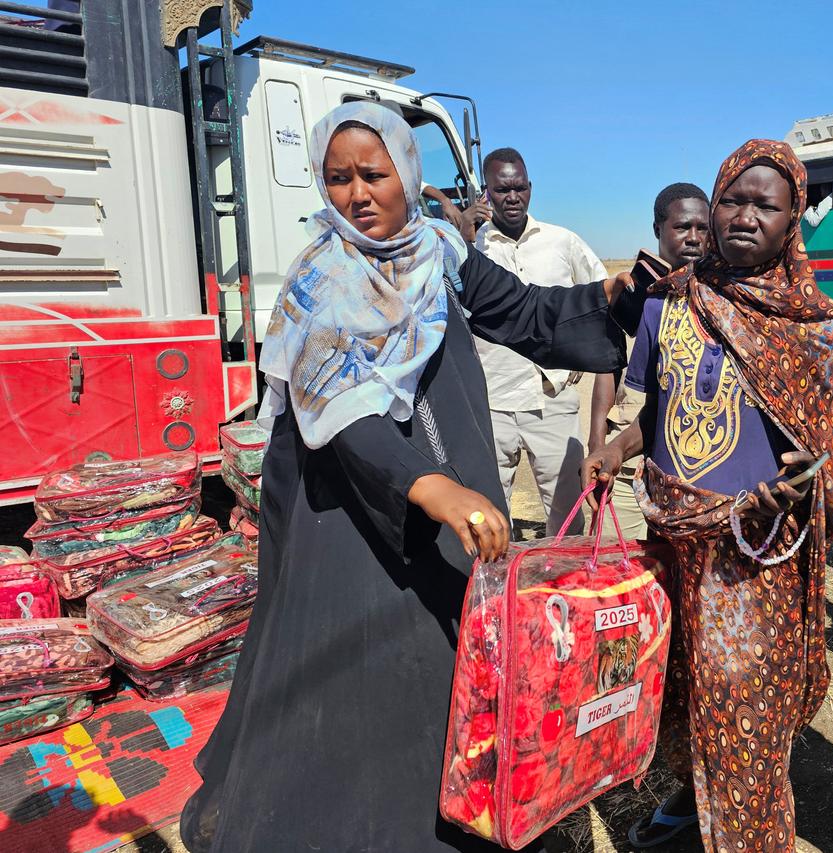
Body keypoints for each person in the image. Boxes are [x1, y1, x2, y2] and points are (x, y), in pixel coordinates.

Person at [180, 102, 630, 853]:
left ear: (408, 174)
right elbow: (343, 416)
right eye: (338, 178)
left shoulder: (438, 251)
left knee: (448, 663)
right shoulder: (324, 275)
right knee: (356, 676)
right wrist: (429, 486)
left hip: (443, 503)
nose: (358, 195)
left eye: (374, 174)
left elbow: (524, 313)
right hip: (347, 519)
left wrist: (614, 301)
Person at [583, 139, 833, 852]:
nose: (745, 215)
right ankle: (689, 804)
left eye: (767, 204)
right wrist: (614, 448)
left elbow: (822, 459)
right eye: (733, 198)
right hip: (671, 544)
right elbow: (660, 409)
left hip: (751, 562)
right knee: (677, 698)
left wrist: (793, 491)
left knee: (746, 722)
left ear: (794, 215)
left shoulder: (815, 327)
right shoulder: (672, 302)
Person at [464, 147, 609, 534]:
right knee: (490, 517)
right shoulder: (470, 246)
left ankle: (561, 591)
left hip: (552, 401)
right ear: (486, 192)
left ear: (530, 188)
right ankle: (502, 591)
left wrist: (581, 356)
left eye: (520, 188)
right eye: (501, 190)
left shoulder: (562, 242)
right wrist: (463, 234)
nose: (512, 197)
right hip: (491, 402)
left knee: (567, 516)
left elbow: (599, 298)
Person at [588, 182, 710, 541]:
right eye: (682, 227)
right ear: (657, 229)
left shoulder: (719, 297)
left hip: (686, 455)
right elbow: (606, 368)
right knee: (616, 559)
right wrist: (598, 444)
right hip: (625, 454)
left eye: (702, 229)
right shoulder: (629, 289)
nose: (693, 237)